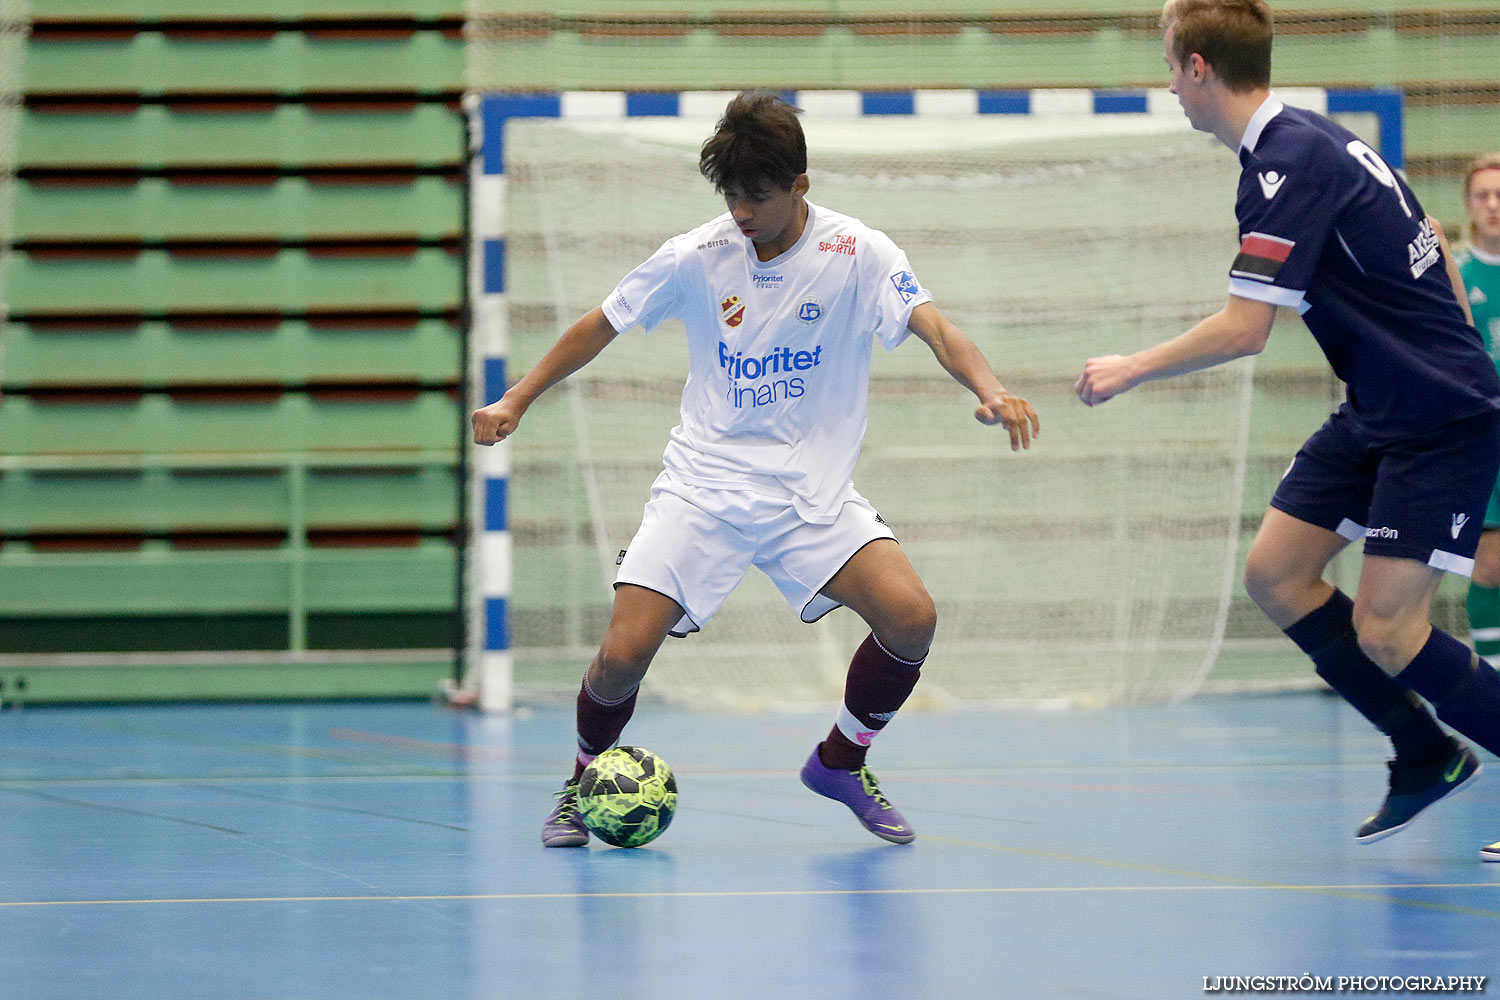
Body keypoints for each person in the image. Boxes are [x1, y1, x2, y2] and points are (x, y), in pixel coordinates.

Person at [473, 91, 1040, 847]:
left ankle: (841, 760)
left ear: (800, 186)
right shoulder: (697, 257)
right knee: (620, 656)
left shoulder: (859, 253)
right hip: (701, 488)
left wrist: (991, 389)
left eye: (758, 196)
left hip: (811, 496)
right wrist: (516, 398)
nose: (742, 211)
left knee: (911, 618)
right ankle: (581, 783)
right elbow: (600, 324)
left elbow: (935, 326)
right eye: (731, 195)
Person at [1075, 0, 1500, 854]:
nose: (1168, 84)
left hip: (1436, 421)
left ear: (1199, 68)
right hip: (1377, 410)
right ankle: (1423, 754)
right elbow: (1440, 254)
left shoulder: (1287, 162)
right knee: (1276, 573)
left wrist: (1130, 366)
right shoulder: (1312, 138)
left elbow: (1246, 328)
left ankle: (1449, 743)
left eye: (1168, 64)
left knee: (1389, 630)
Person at [1460, 155, 1500, 668]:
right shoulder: (1454, 271)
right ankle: (1491, 689)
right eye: (1483, 196)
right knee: (1488, 567)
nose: (1494, 205)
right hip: (1482, 439)